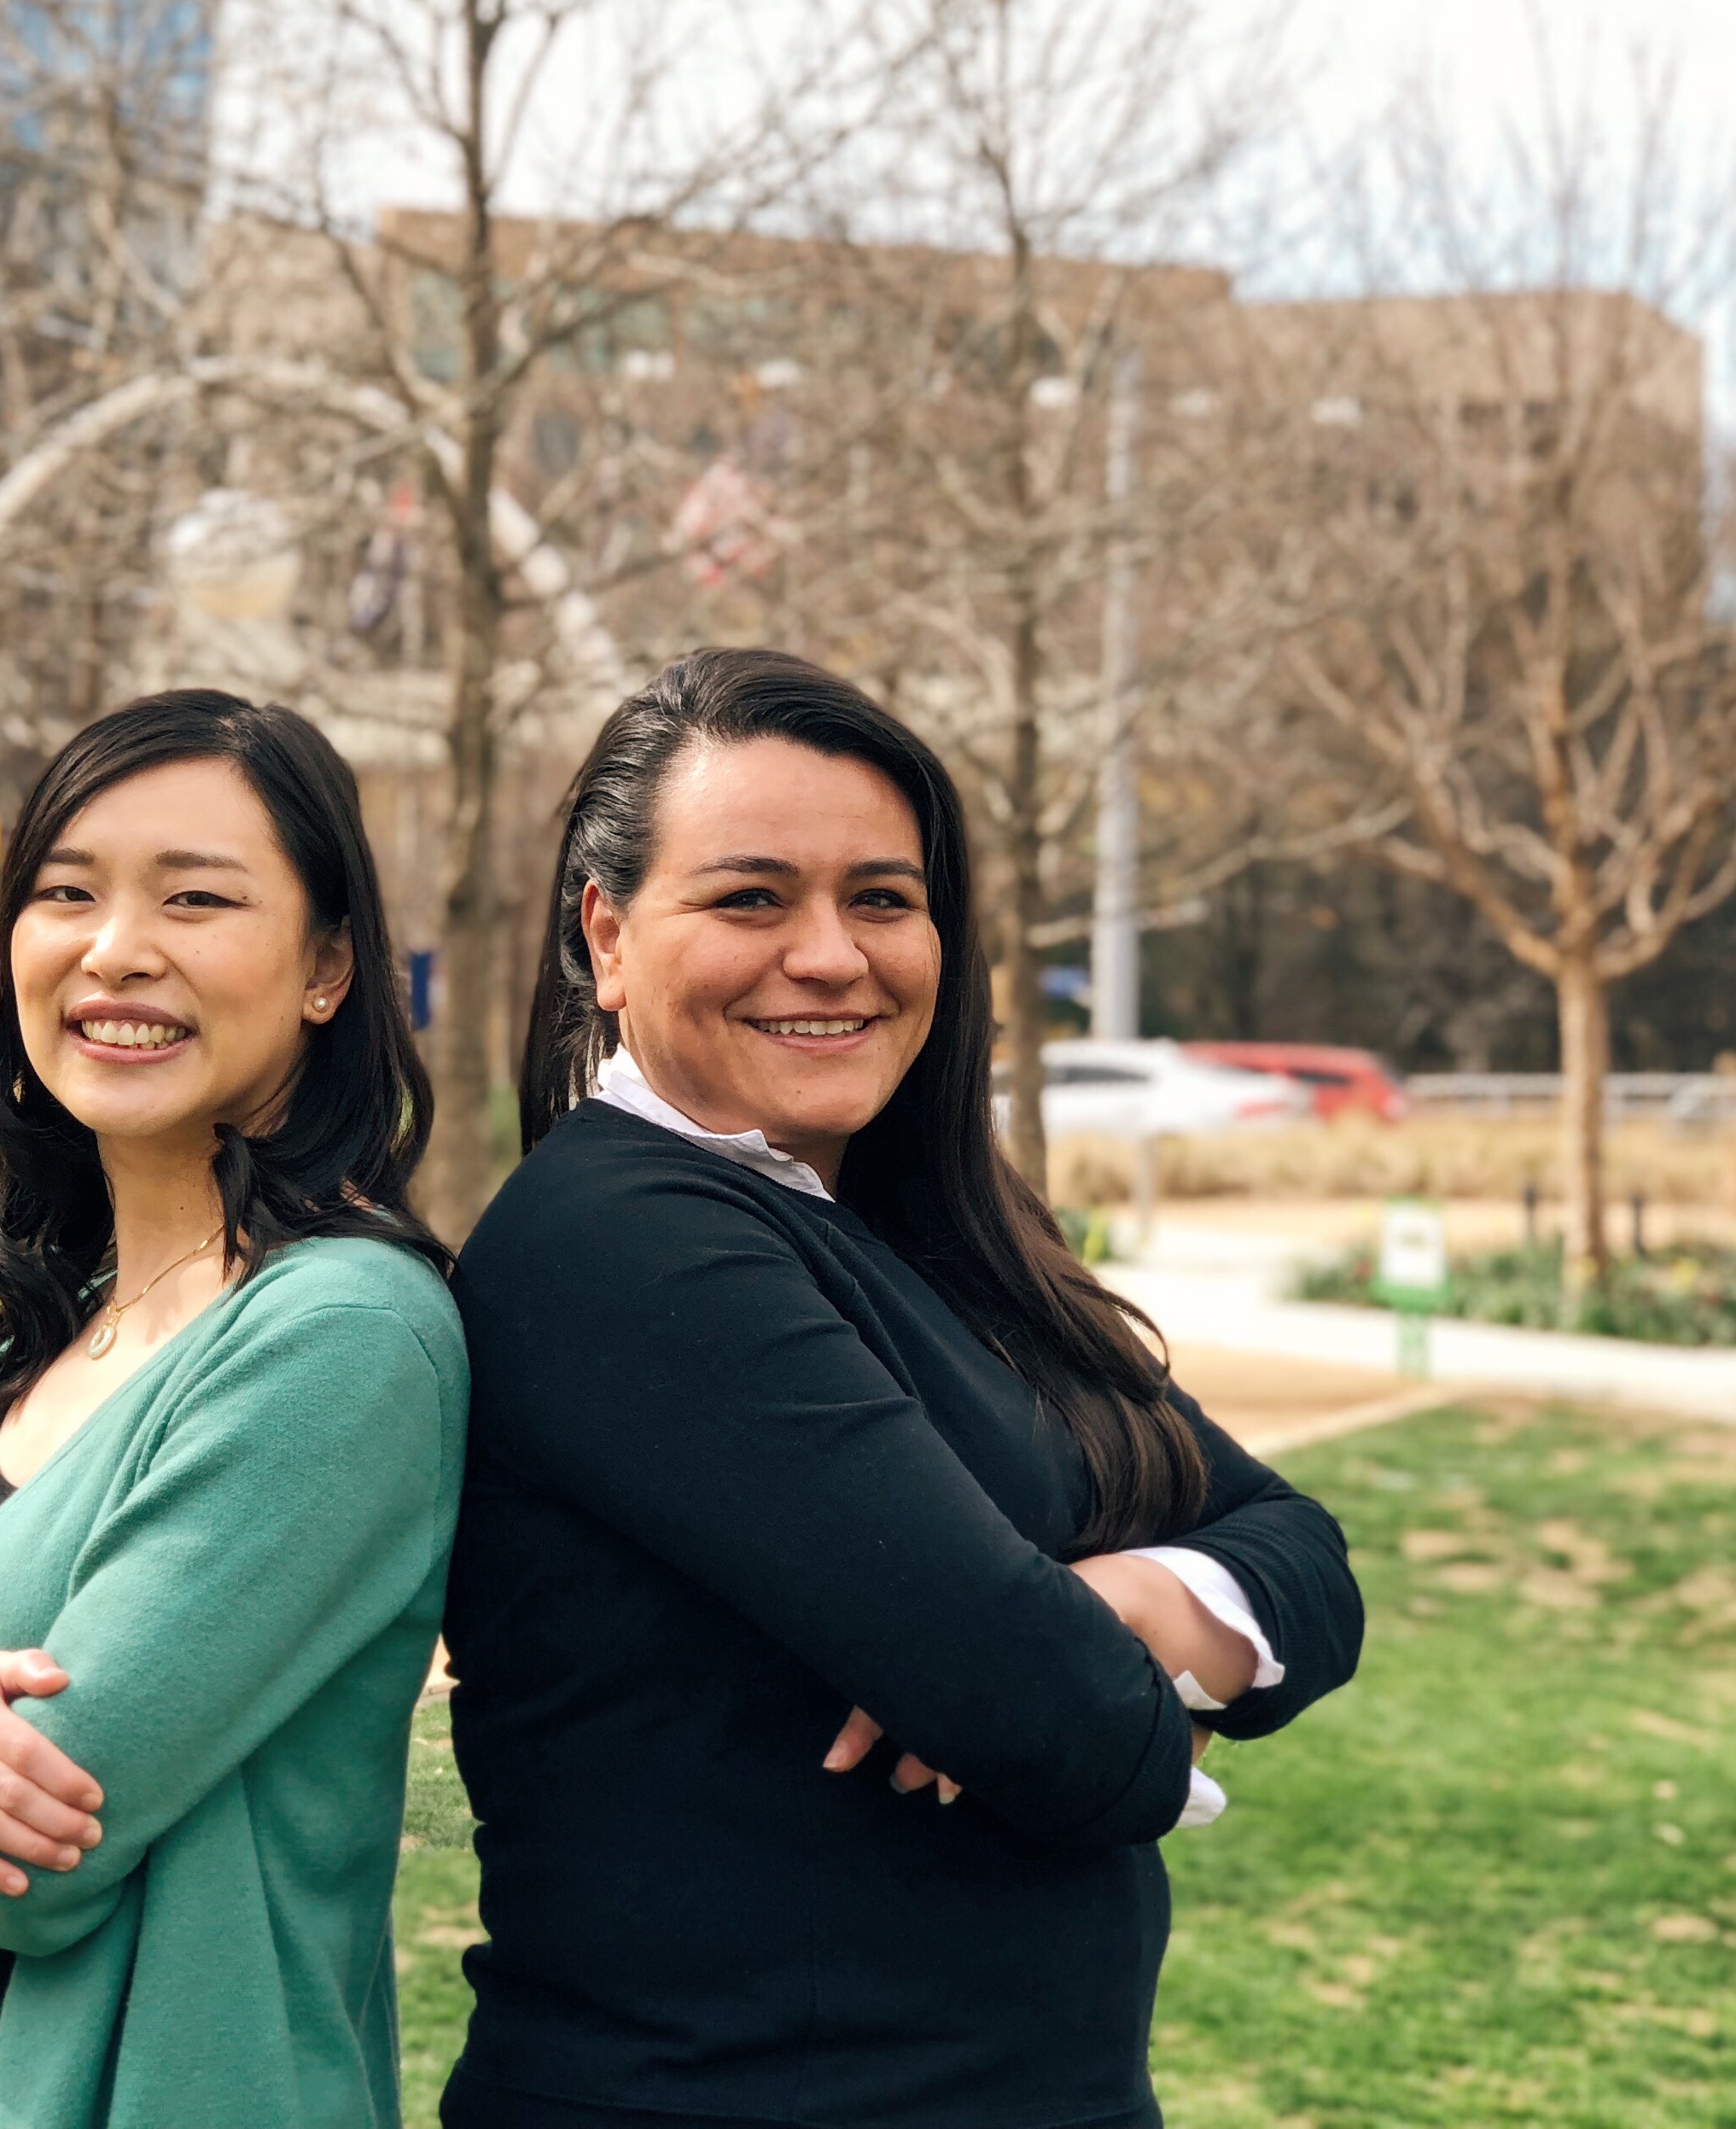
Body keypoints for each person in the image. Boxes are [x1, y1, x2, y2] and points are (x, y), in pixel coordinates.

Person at [440, 648, 1364, 2129]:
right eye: (751, 899)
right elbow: (1068, 1733)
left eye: (880, 898)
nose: (829, 955)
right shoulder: (621, 1247)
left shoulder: (932, 1235)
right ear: (606, 935)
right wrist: (1101, 1684)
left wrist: (1124, 1602)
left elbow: (1308, 1560)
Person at [0, 690, 468, 2129]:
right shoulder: (58, 1319)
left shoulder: (343, 1337)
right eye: (67, 893)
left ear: (327, 969)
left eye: (195, 898)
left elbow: (20, 1862)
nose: (116, 948)